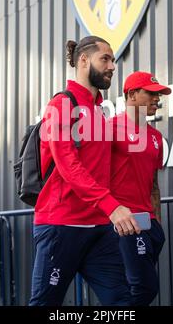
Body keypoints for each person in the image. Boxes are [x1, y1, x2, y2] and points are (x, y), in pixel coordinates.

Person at [29, 36, 140, 306]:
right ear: (83, 61)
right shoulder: (60, 105)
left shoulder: (100, 112)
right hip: (61, 226)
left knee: (123, 302)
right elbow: (68, 164)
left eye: (113, 59)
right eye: (105, 58)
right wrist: (112, 207)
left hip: (100, 228)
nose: (112, 65)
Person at [110, 71, 171, 306]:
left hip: (149, 224)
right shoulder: (109, 129)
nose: (158, 99)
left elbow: (153, 185)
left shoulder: (156, 137)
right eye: (152, 93)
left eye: (160, 95)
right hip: (124, 224)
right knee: (144, 288)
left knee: (131, 289)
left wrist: (157, 221)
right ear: (132, 94)